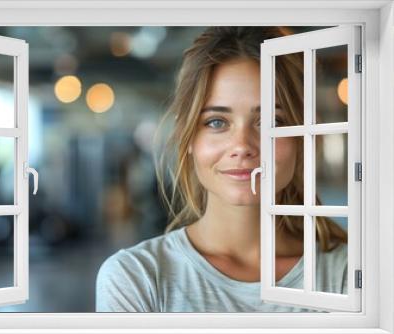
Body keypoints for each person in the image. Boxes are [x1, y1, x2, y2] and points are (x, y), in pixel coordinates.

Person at [95, 27, 348, 312]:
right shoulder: (136, 279)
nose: (242, 146)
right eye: (216, 122)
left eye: (271, 122)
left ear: (304, 135)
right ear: (188, 137)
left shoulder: (350, 274)